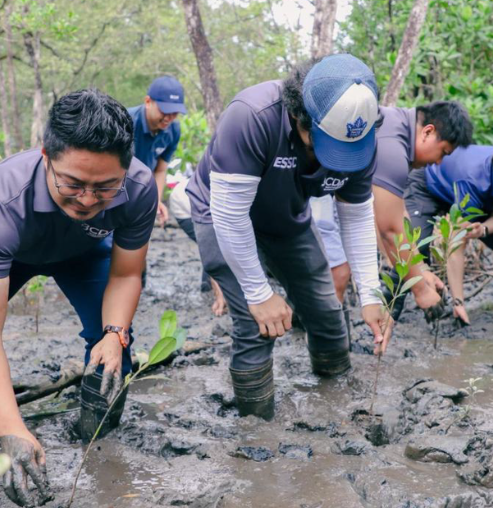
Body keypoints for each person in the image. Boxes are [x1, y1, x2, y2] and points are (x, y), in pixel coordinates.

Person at [0, 89, 158, 507]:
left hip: (84, 254)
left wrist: (114, 332)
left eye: (105, 187)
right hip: (11, 252)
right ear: (45, 156)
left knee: (116, 355)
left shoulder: (141, 190)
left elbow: (127, 273)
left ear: (126, 170)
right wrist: (11, 428)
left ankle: (97, 449)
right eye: (72, 184)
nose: (88, 199)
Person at [186, 54, 389, 421]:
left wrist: (371, 295)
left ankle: (335, 405)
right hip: (222, 215)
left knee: (327, 312)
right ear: (300, 117)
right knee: (255, 322)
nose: (339, 161)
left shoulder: (362, 132)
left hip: (286, 216)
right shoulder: (252, 115)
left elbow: (356, 214)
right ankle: (257, 430)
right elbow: (231, 217)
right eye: (326, 146)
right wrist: (260, 293)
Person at [312, 102, 475, 320]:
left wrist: (423, 271)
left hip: (329, 186)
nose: (437, 162)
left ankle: (307, 324)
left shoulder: (396, 126)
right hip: (308, 184)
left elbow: (398, 217)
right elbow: (389, 230)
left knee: (335, 272)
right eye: (442, 152)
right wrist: (421, 290)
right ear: (428, 132)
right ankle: (328, 351)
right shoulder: (393, 147)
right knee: (337, 273)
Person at [404, 135, 493, 324]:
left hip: (479, 198)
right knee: (413, 250)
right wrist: (459, 302)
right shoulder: (474, 179)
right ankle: (392, 316)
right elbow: (456, 247)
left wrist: (482, 229)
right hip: (428, 185)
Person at [128, 75, 186, 225]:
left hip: (141, 189)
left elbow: (160, 170)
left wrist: (156, 201)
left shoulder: (173, 130)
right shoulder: (126, 122)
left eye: (175, 112)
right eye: (165, 110)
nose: (169, 117)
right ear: (148, 102)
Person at [168, 177, 227, 316]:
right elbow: (212, 248)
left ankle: (215, 287)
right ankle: (209, 289)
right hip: (183, 206)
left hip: (198, 199)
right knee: (215, 247)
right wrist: (220, 296)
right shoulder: (216, 202)